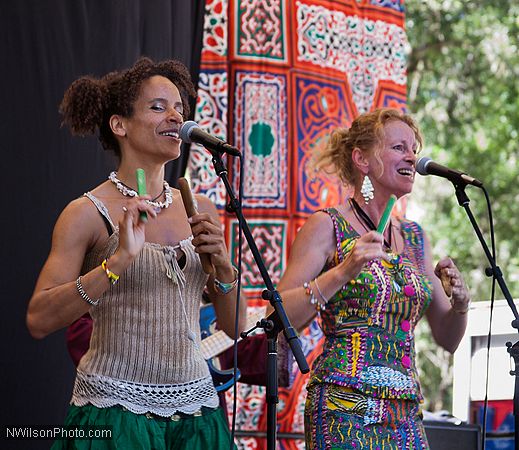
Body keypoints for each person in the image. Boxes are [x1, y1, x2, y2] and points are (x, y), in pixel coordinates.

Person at [26, 56, 246, 449]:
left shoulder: (201, 207)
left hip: (197, 415)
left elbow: (235, 329)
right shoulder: (86, 213)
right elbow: (39, 319)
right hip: (115, 415)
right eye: (158, 107)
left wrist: (225, 272)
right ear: (119, 125)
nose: (176, 117)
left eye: (179, 107)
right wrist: (118, 262)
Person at [271, 108, 471, 449]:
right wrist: (343, 270)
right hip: (343, 405)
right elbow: (277, 316)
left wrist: (461, 306)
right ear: (362, 159)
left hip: (405, 409)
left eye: (413, 148)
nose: (411, 156)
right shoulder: (328, 226)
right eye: (398, 147)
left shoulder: (415, 237)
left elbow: (447, 339)